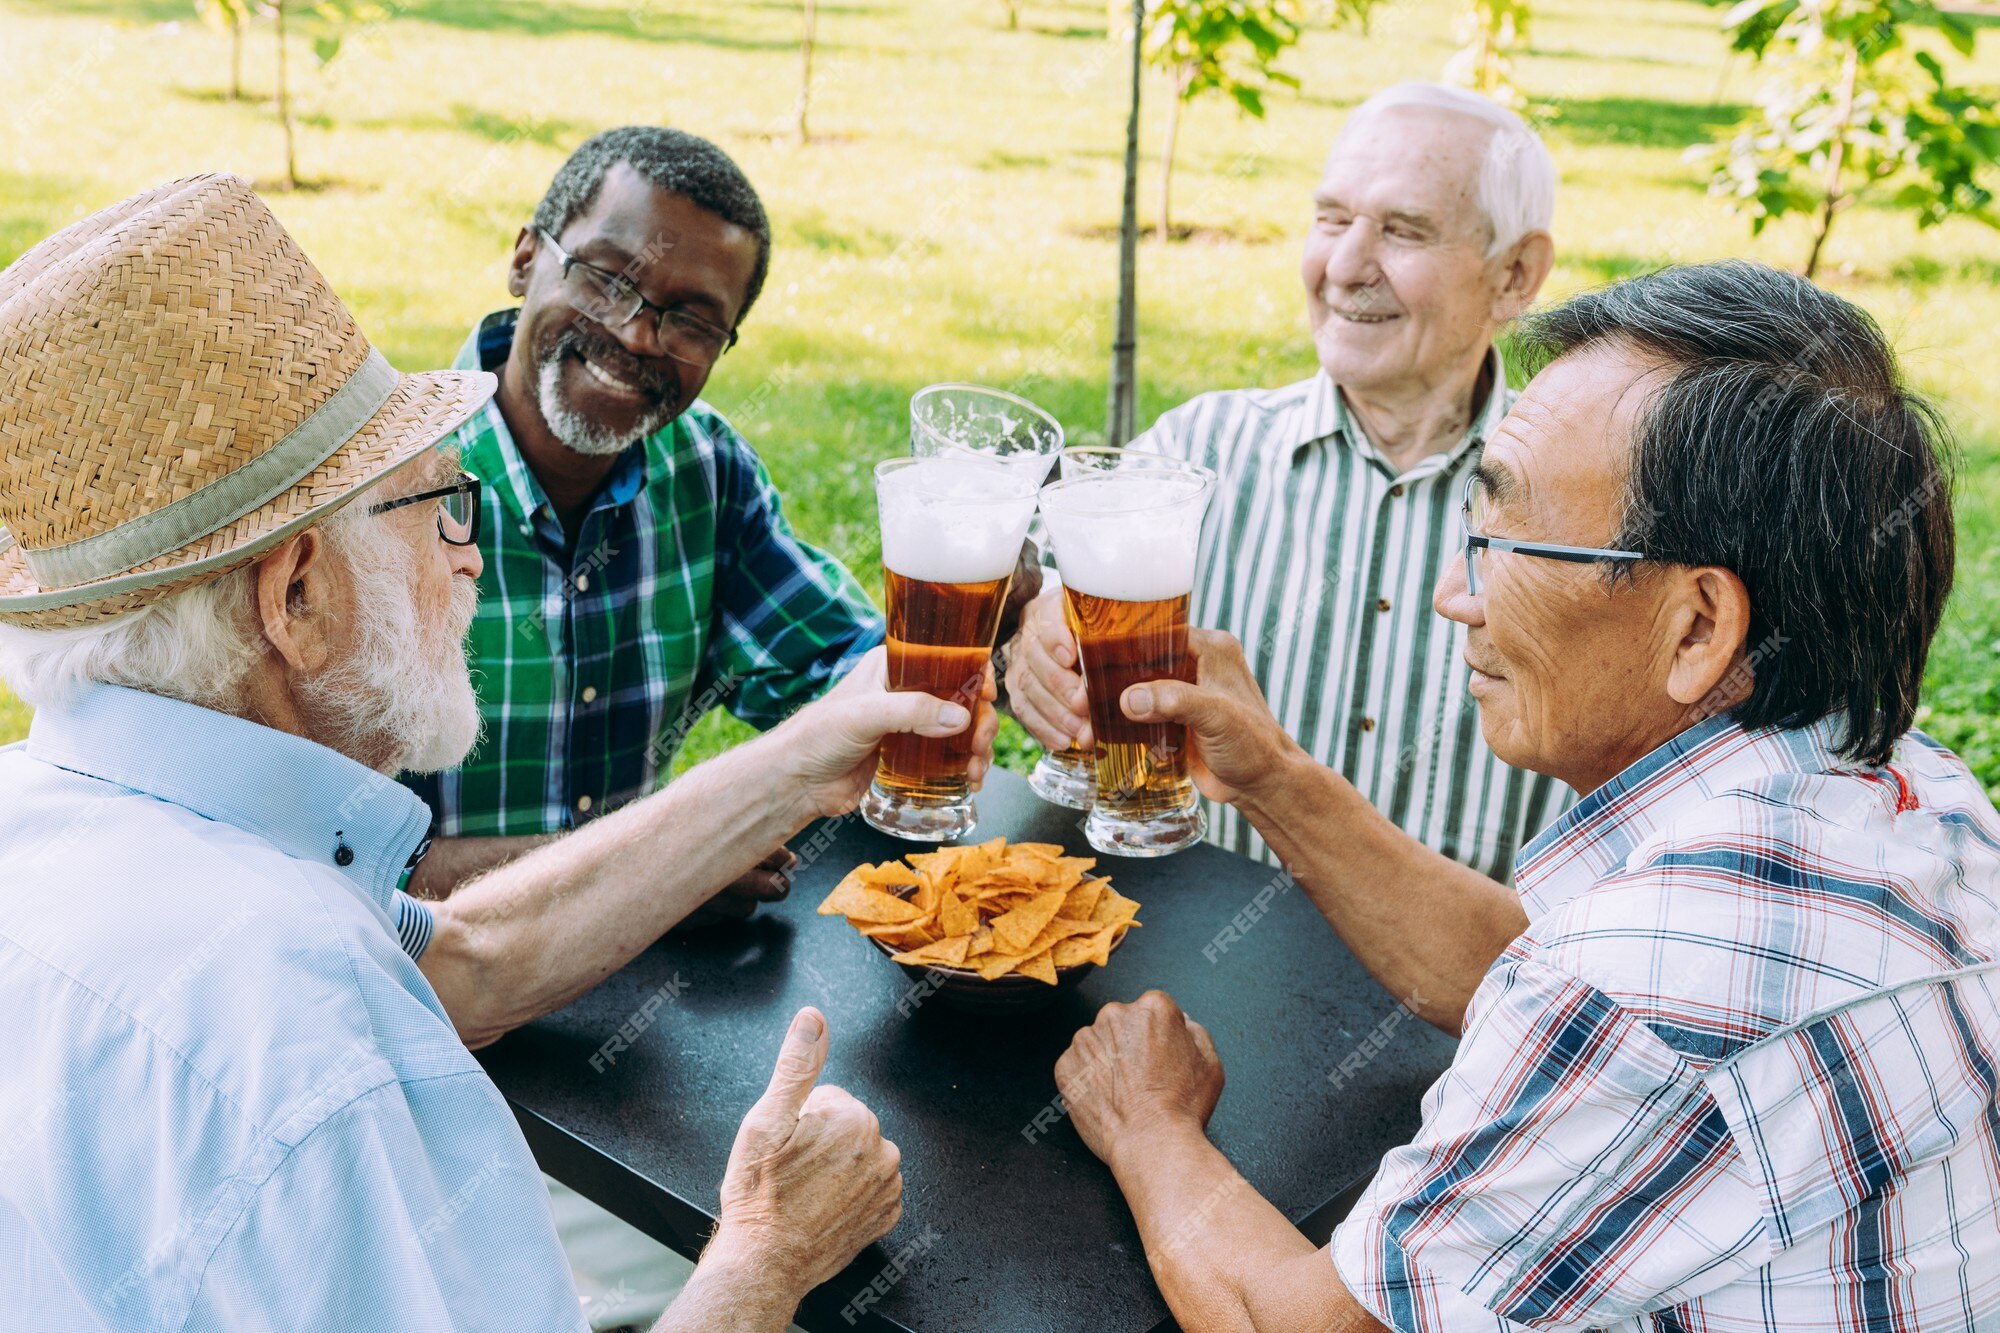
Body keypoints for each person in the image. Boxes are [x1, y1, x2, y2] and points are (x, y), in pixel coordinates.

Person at [0, 175, 989, 1332]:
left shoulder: (62, 823)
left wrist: (802, 757)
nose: (469, 556)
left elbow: (463, 961)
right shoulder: (311, 1053)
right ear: (299, 596)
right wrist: (766, 1254)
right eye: (438, 506)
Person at [1055, 261, 2000, 1329]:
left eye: (1499, 541)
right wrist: (1266, 772)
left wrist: (1149, 1125)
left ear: (1695, 626)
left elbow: (1300, 1322)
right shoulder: (1916, 790)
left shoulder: (1635, 991)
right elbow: (1526, 968)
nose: (1452, 594)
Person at [1003, 82, 1564, 881]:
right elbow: (1016, 579)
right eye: (1331, 219)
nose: (1342, 266)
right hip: (1207, 964)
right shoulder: (1198, 452)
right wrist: (1027, 635)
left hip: (1473, 991)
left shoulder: (1578, 510)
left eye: (1403, 232)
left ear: (1515, 274)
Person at [399, 125, 886, 912]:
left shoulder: (705, 471)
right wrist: (662, 864)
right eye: (604, 277)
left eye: (691, 320)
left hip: (645, 989)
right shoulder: (378, 486)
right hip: (408, 996)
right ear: (526, 258)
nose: (633, 334)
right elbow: (313, 856)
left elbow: (847, 684)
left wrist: (999, 623)